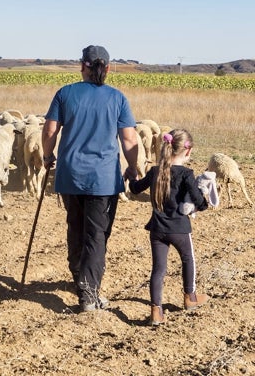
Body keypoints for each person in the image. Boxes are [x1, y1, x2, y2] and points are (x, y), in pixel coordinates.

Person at [42, 45, 139, 312]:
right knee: (96, 235)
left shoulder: (65, 94)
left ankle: (79, 278)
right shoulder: (117, 98)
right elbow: (129, 138)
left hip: (70, 175)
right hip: (103, 179)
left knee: (75, 228)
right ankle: (88, 294)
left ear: (82, 66)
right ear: (107, 68)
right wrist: (132, 166)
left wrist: (47, 156)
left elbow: (50, 129)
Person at [129, 128, 210, 326]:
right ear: (188, 151)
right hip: (180, 229)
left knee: (158, 269)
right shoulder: (186, 174)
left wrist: (130, 176)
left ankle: (156, 311)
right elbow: (200, 202)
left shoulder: (155, 171)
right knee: (188, 259)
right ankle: (190, 297)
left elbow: (135, 189)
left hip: (157, 229)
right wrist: (204, 198)